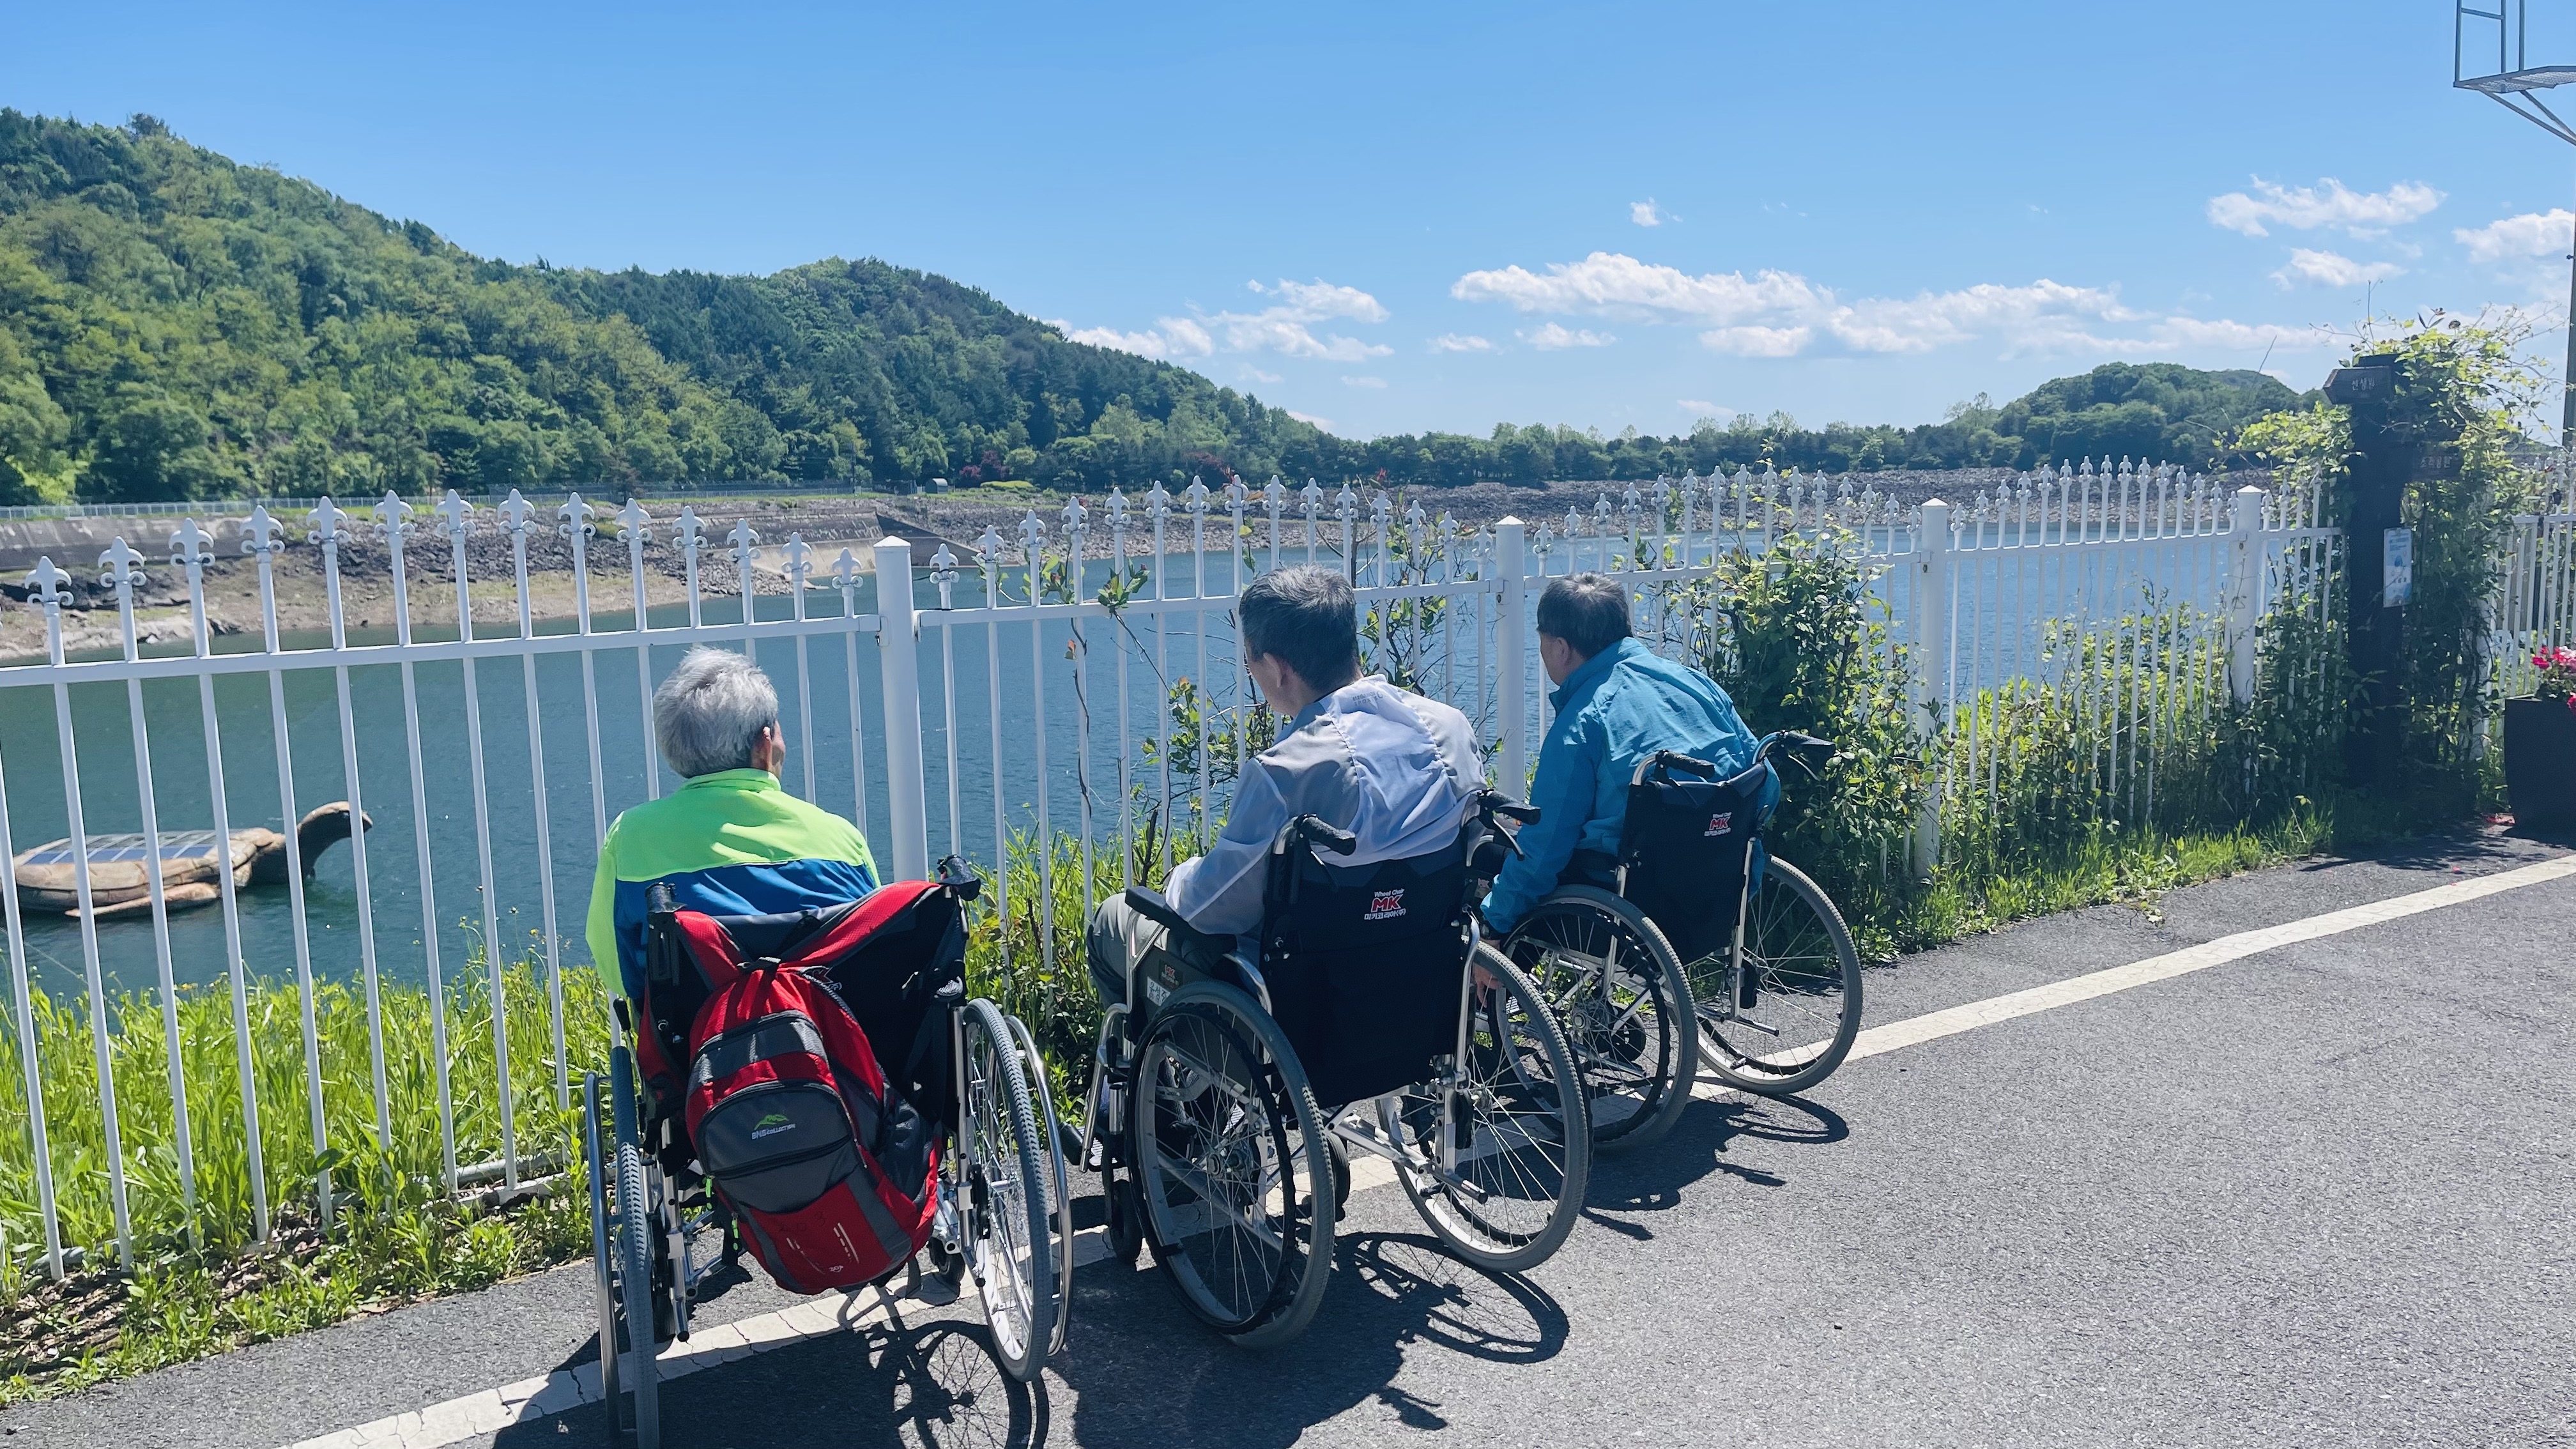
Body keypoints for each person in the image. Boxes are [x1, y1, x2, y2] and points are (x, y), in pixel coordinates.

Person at [1085, 564, 1485, 1008]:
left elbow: (1212, 909)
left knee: (1112, 921)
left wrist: (1180, 877)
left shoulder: (1285, 771)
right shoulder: (1450, 729)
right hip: (1422, 989)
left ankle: (1148, 1052)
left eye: (1250, 661)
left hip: (1305, 1004)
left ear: (1277, 669)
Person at [585, 646, 880, 1002]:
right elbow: (874, 948)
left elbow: (620, 974)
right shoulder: (840, 839)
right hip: (827, 1034)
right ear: (764, 745)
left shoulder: (631, 837)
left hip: (693, 1039)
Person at [1478, 572, 1763, 937]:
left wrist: (1496, 922)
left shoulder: (1582, 720)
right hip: (1717, 889)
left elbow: (1547, 844)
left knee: (1491, 856)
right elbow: (1762, 781)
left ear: (1561, 649)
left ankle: (1497, 964)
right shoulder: (1695, 683)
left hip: (1627, 905)